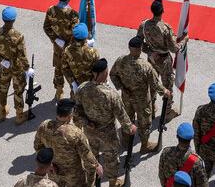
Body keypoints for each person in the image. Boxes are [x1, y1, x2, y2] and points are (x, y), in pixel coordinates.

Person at [74, 58, 135, 187]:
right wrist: (130, 127)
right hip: (108, 134)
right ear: (104, 72)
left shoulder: (81, 89)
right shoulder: (111, 94)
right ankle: (113, 183)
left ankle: (93, 182)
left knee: (92, 158)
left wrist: (87, 123)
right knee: (111, 159)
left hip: (90, 131)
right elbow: (122, 115)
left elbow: (77, 112)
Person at [110, 35, 165, 153]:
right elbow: (155, 84)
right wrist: (165, 92)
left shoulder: (121, 61)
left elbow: (112, 75)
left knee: (127, 120)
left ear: (129, 48)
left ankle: (125, 141)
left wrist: (121, 88)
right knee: (144, 123)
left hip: (126, 98)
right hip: (142, 101)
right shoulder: (145, 66)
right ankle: (144, 145)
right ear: (140, 49)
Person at [33, 98, 100, 186]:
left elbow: (37, 146)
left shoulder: (44, 126)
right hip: (74, 176)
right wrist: (95, 172)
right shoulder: (76, 133)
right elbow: (87, 159)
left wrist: (49, 165)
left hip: (54, 172)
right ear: (70, 115)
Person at [0, 6, 30, 124]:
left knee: (3, 88)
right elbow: (22, 55)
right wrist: (27, 69)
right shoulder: (18, 35)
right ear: (14, 20)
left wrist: (1, 60)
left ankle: (1, 113)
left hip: (5, 67)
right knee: (18, 90)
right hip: (17, 67)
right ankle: (19, 115)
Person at [44, 0, 79, 101]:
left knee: (58, 68)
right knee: (71, 70)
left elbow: (46, 27)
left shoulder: (51, 10)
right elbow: (76, 33)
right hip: (70, 48)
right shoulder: (73, 14)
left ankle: (59, 91)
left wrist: (56, 39)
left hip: (58, 47)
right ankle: (73, 94)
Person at [158, 122, 209, 186]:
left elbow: (161, 176)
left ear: (177, 136)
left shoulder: (165, 153)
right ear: (191, 138)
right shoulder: (197, 161)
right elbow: (202, 184)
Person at [62, 22, 99, 93]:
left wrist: (73, 83)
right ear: (86, 36)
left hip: (76, 88)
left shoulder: (67, 51)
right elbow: (98, 70)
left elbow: (65, 69)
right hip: (90, 88)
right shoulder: (93, 52)